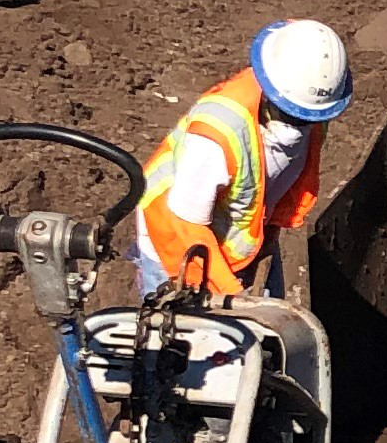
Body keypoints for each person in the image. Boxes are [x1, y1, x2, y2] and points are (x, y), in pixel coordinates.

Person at [135, 20, 352, 300]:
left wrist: (269, 236)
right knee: (190, 328)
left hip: (239, 241)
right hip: (178, 246)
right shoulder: (216, 137)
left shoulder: (309, 106)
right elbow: (186, 225)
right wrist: (234, 296)